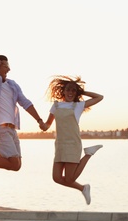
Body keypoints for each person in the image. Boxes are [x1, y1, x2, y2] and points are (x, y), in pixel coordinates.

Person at [40, 75, 103, 205]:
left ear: (76, 93)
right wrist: (42, 125)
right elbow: (47, 125)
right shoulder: (56, 106)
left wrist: (82, 92)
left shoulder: (78, 106)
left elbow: (99, 97)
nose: (70, 93)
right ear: (63, 91)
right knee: (56, 178)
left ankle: (88, 154)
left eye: (74, 91)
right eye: (68, 90)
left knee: (70, 178)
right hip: (60, 145)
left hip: (73, 144)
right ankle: (83, 188)